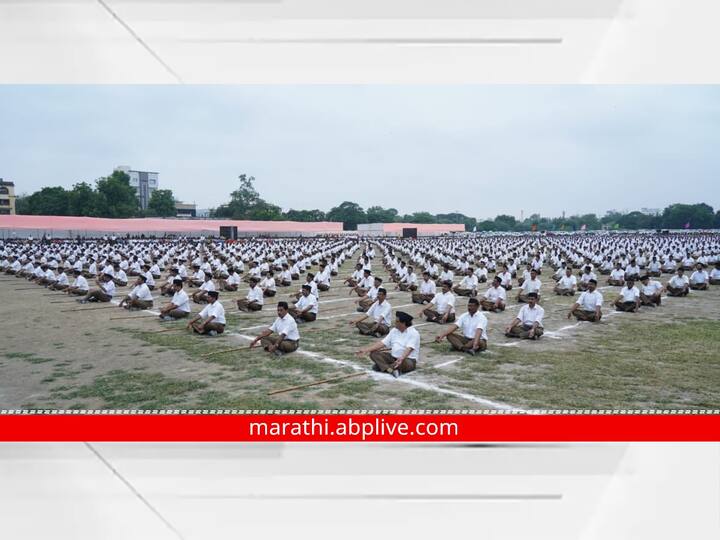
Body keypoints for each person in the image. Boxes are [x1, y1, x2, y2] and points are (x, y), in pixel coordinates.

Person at [356, 311, 420, 378]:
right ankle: (389, 369)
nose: (395, 323)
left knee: (400, 363)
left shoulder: (414, 333)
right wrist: (366, 350)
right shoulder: (394, 331)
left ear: (403, 323)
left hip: (407, 360)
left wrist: (401, 358)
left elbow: (409, 349)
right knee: (373, 353)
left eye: (397, 321)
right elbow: (382, 343)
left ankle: (383, 367)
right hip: (393, 358)